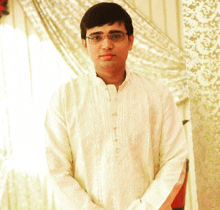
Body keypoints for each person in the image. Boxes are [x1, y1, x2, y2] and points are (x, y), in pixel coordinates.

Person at [45, 2, 188, 210]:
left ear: (130, 41)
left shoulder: (157, 94)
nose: (106, 45)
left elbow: (174, 160)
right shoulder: (64, 98)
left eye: (115, 35)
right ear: (85, 44)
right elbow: (56, 170)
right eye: (96, 37)